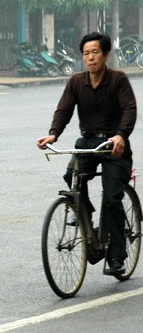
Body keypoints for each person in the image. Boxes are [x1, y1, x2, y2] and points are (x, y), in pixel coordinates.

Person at [36, 32, 137, 276]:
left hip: (114, 146)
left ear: (105, 55)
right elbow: (64, 110)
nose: (90, 58)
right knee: (71, 176)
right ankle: (84, 213)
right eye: (86, 54)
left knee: (112, 199)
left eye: (95, 53)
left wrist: (121, 135)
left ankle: (116, 257)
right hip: (88, 142)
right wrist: (53, 134)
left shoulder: (118, 79)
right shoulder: (76, 82)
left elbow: (129, 109)